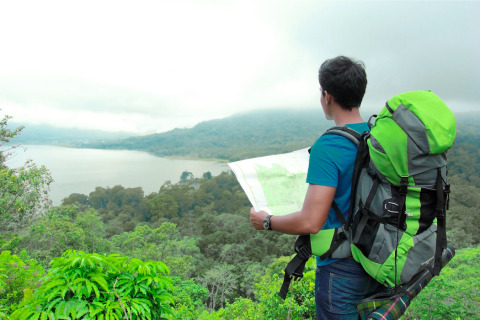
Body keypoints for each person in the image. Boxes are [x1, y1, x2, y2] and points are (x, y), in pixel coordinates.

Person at [250, 56, 380, 320]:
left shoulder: (330, 145)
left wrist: (266, 221)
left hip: (342, 270)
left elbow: (311, 222)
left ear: (327, 95)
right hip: (378, 259)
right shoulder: (376, 135)